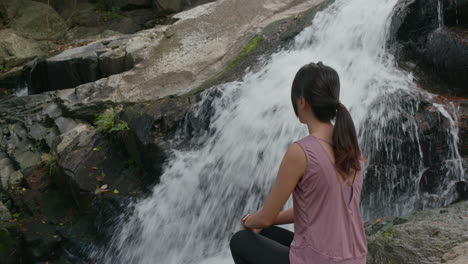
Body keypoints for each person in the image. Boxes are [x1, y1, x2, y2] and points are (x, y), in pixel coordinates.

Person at [229, 62, 368, 264]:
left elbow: (265, 217)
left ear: (301, 102)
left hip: (320, 261)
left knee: (240, 240)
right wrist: (267, 222)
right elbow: (315, 206)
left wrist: (249, 221)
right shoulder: (353, 150)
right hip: (354, 259)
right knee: (265, 231)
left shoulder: (301, 152)